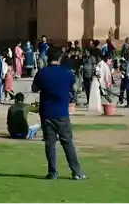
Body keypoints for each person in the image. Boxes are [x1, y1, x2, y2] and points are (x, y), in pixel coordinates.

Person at [32, 49, 85, 181]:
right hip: (62, 112)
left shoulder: (42, 73)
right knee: (67, 143)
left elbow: (34, 89)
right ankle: (76, 172)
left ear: (47, 58)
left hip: (46, 113)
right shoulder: (67, 73)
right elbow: (75, 89)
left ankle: (52, 172)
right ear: (60, 58)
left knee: (50, 143)